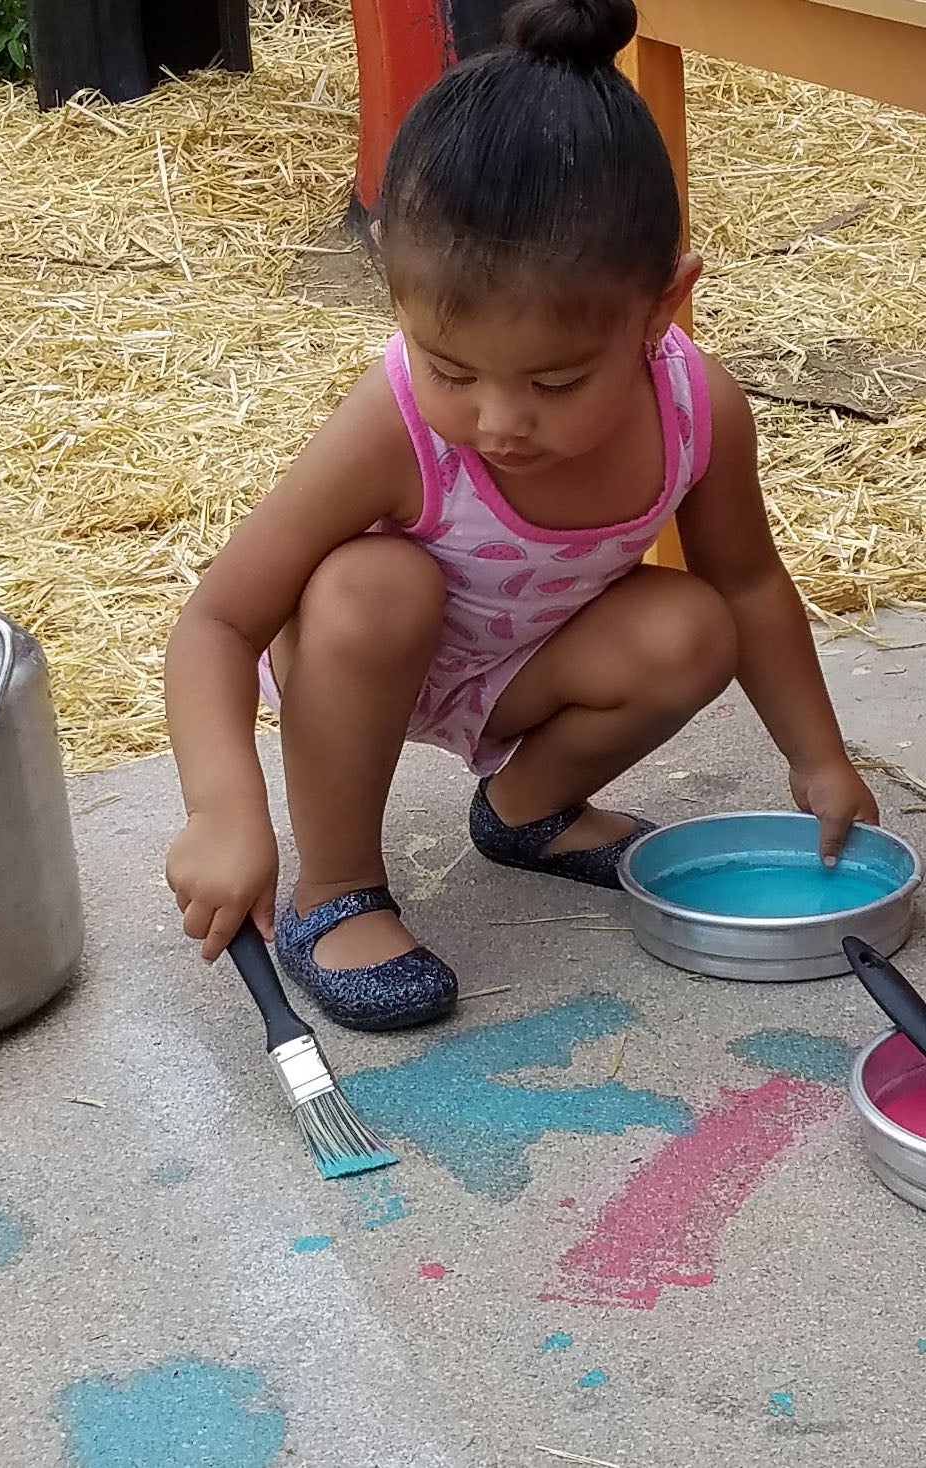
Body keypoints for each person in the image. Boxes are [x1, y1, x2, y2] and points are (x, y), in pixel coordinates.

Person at [162, 0, 878, 1030]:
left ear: (659, 308)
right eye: (451, 370)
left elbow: (750, 581)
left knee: (693, 625)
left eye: (554, 382)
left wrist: (817, 758)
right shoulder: (393, 424)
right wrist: (223, 809)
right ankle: (338, 887)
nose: (497, 422)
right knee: (372, 583)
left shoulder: (697, 408)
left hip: (528, 666)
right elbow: (220, 621)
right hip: (365, 666)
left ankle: (525, 809)